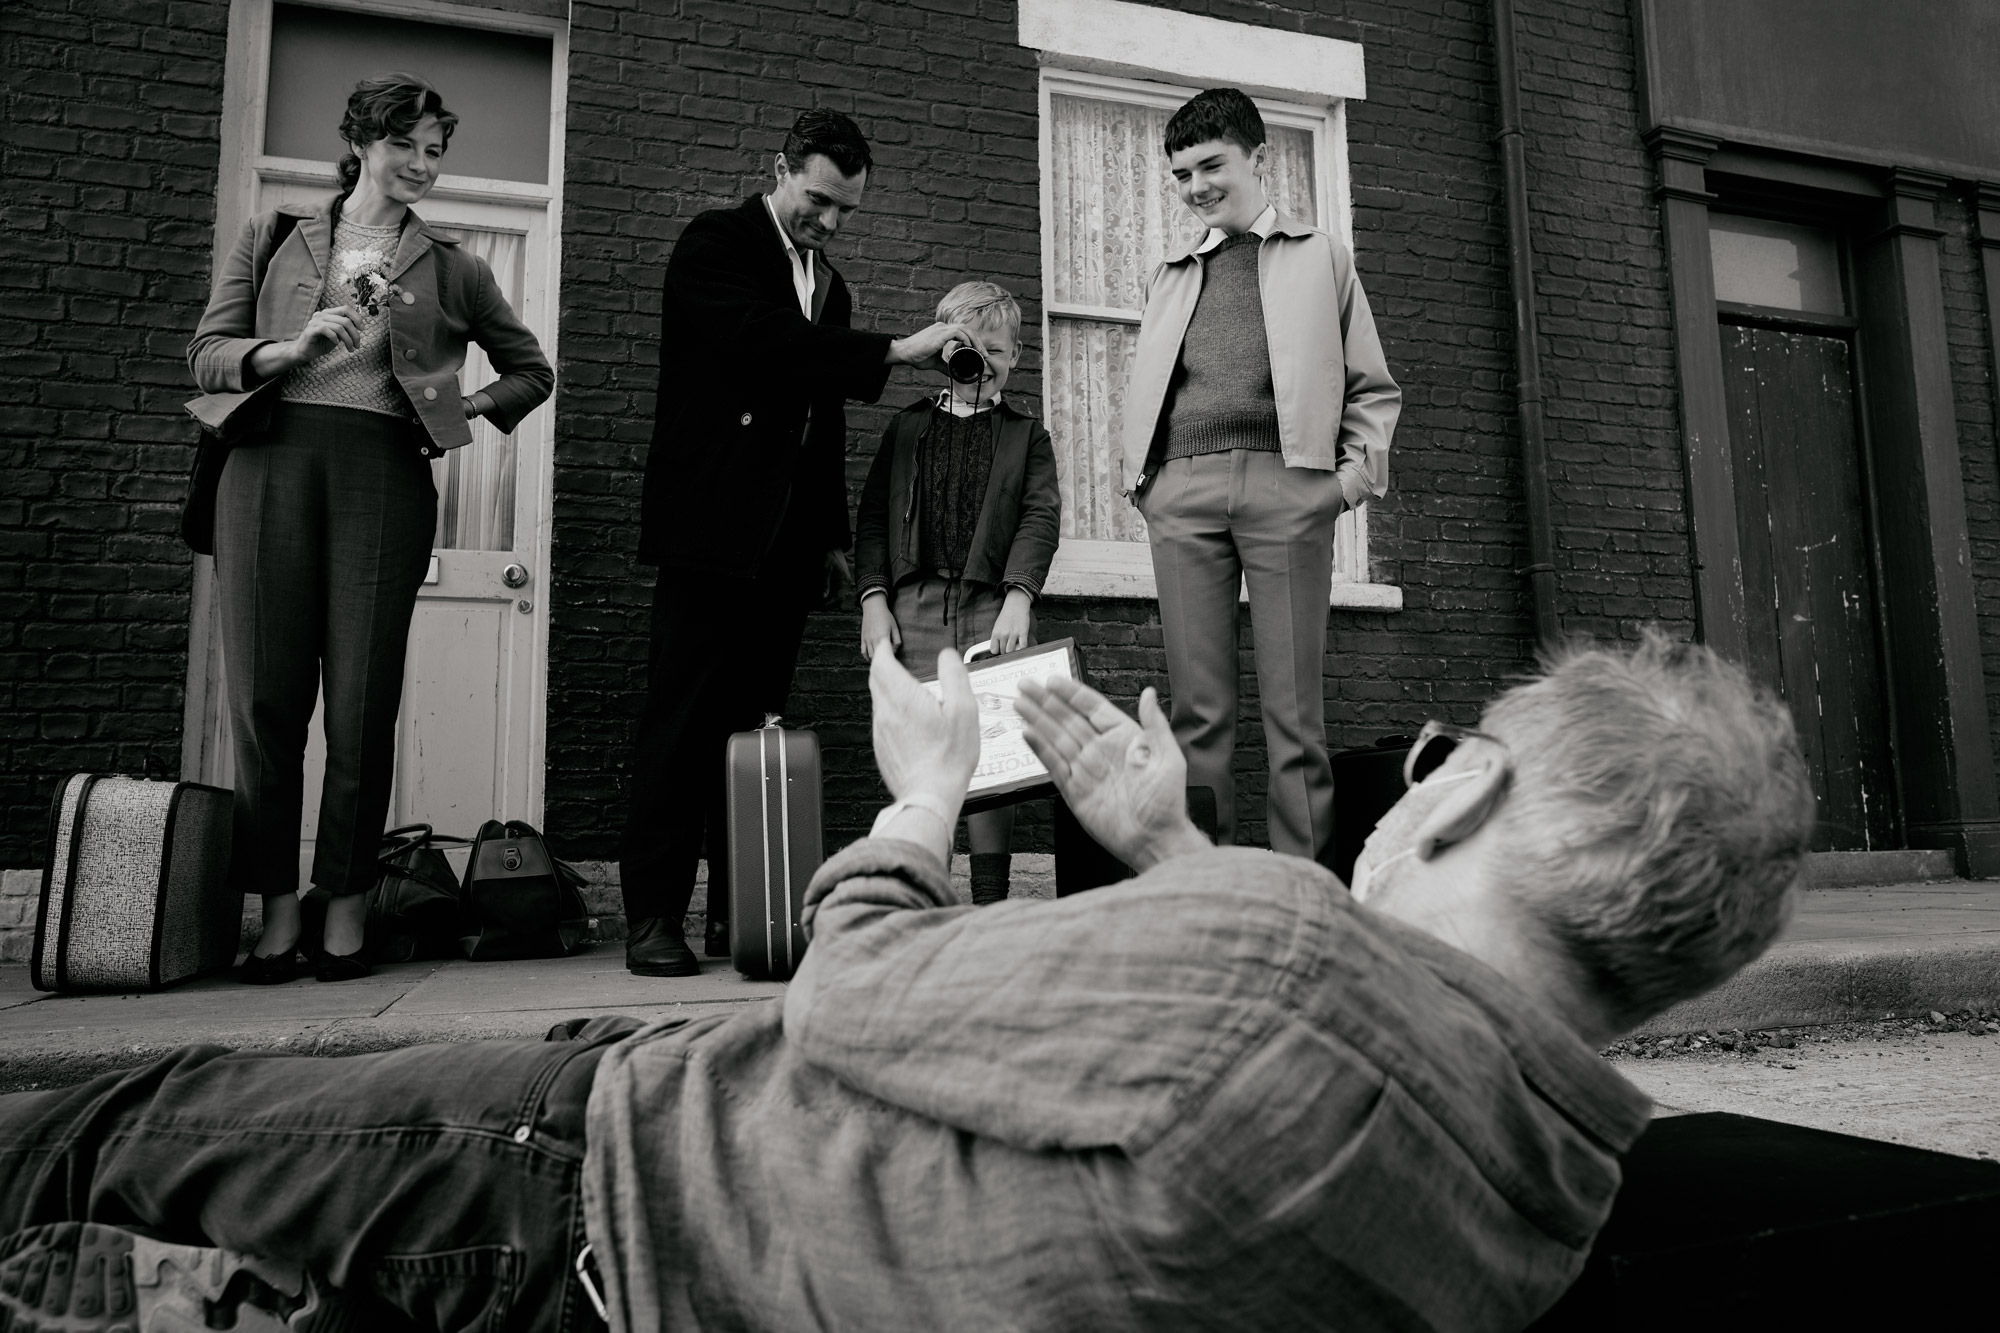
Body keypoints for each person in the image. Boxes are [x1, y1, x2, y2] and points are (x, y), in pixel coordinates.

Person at [0, 628, 1815, 1331]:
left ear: (1470, 787)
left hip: (601, 1185)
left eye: (1433, 761)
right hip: (720, 1249)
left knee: (116, 1129)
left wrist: (924, 791)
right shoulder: (1550, 1191)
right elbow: (1271, 1079)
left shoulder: (1278, 956)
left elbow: (849, 988)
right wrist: (1166, 840)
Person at [185, 74, 553, 984]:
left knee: (360, 701)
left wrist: (455, 411)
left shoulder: (455, 267)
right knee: (266, 704)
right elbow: (208, 353)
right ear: (359, 142)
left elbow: (531, 370)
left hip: (383, 476)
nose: (422, 164)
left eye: (435, 150)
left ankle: (345, 903)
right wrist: (289, 348)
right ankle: (277, 910)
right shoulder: (274, 235)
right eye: (404, 145)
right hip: (265, 463)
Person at [621, 109, 982, 977]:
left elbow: (821, 424)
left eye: (846, 209)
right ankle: (654, 915)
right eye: (819, 200)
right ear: (779, 169)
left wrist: (828, 538)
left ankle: (739, 911)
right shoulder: (715, 243)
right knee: (680, 725)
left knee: (753, 731)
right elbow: (762, 344)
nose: (829, 221)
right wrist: (895, 350)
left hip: (784, 544)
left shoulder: (831, 287)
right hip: (709, 528)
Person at [1123, 87, 1402, 862]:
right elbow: (1152, 385)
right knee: (1197, 716)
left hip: (1288, 487)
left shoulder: (1322, 257)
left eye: (1210, 165)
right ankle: (1207, 888)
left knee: (1294, 715)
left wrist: (1342, 487)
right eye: (1182, 174)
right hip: (1182, 493)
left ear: (1258, 157)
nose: (1196, 187)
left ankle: (1300, 891)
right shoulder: (1168, 273)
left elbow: (1372, 387)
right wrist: (1146, 486)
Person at [853, 280, 1060, 905]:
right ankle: (926, 895)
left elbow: (1039, 517)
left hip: (992, 607)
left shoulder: (1027, 435)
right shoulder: (908, 428)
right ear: (945, 350)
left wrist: (1020, 597)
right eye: (970, 348)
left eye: (997, 351)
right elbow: (873, 519)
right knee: (923, 755)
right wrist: (873, 600)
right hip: (913, 607)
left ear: (1015, 355)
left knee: (992, 753)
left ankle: (990, 902)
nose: (984, 362)